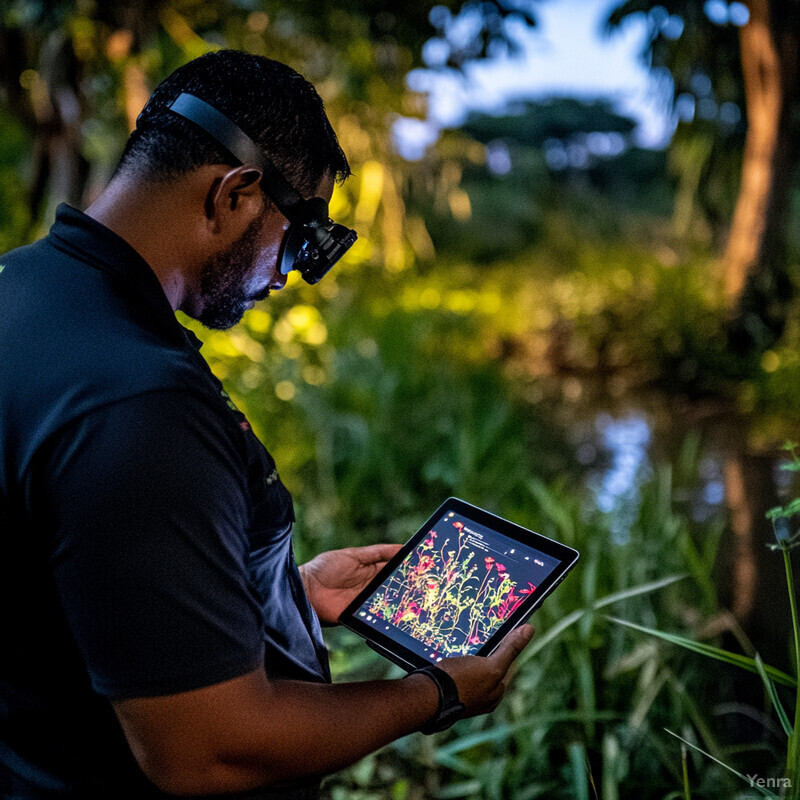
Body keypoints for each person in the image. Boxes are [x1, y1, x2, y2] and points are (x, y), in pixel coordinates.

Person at [0, 50, 533, 799]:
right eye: (300, 239)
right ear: (235, 195)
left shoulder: (26, 287)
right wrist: (437, 693)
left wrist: (281, 592)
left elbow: (70, 581)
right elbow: (208, 751)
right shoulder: (142, 400)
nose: (286, 276)